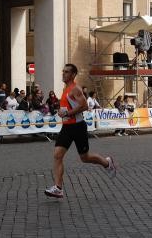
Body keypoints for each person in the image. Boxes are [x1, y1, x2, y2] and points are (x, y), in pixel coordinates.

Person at [45, 64, 118, 199]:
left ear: (73, 75)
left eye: (67, 72)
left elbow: (84, 106)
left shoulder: (75, 89)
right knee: (57, 155)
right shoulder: (65, 88)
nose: (63, 74)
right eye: (63, 71)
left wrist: (68, 113)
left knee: (85, 158)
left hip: (78, 127)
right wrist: (63, 112)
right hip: (67, 127)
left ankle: (107, 163)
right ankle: (58, 188)